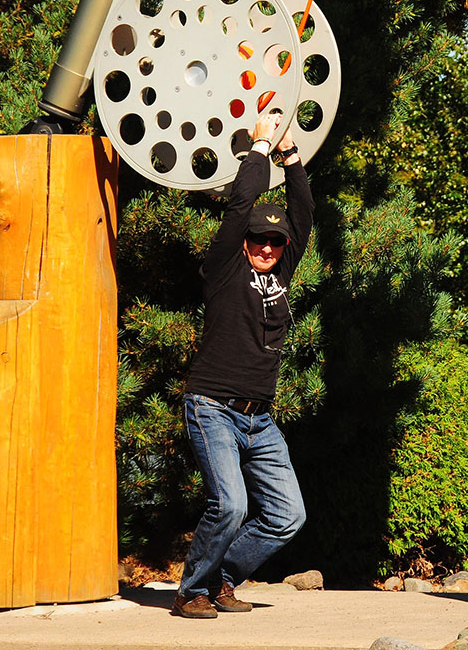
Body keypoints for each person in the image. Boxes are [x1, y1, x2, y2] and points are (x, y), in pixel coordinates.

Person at [172, 111, 311, 619]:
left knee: (288, 515)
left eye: (276, 242)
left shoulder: (283, 267)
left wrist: (290, 153)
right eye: (259, 240)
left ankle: (221, 579)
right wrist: (260, 147)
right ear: (245, 242)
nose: (267, 247)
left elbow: (303, 214)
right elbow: (239, 207)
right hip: (212, 407)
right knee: (230, 505)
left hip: (260, 419)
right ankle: (191, 590)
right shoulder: (224, 266)